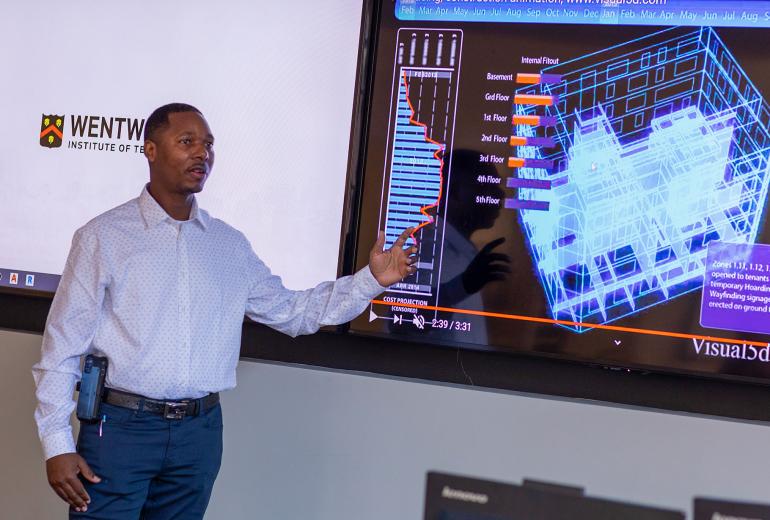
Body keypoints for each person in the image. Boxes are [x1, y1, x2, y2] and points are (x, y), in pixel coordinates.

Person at [32, 103, 417, 519]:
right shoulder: (102, 237)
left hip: (198, 435)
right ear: (150, 150)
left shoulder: (228, 245)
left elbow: (294, 312)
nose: (202, 154)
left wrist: (372, 281)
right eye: (187, 142)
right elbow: (64, 344)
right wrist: (57, 444)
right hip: (122, 429)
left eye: (209, 144)